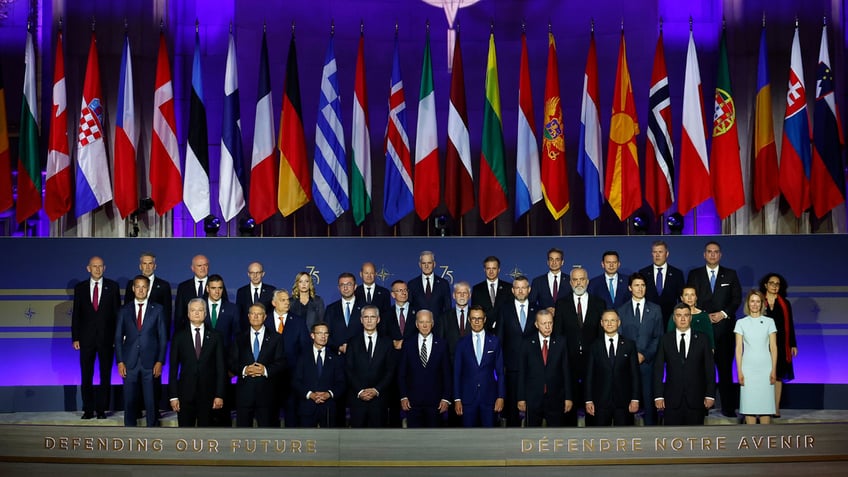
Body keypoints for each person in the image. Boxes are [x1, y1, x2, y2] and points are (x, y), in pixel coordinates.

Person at [686, 241, 742, 418]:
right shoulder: (695, 274)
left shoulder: (730, 275)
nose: (712, 255)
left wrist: (723, 313)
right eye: (709, 252)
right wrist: (703, 315)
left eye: (716, 252)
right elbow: (690, 299)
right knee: (699, 371)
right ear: (704, 255)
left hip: (724, 331)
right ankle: (700, 406)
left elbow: (736, 299)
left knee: (725, 370)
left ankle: (728, 407)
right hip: (700, 330)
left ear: (720, 255)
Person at [553, 266, 604, 426]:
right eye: (575, 279)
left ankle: (594, 443)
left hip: (593, 362)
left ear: (587, 281)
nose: (579, 283)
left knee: (593, 405)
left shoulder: (599, 303)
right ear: (570, 282)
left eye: (582, 279)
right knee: (569, 406)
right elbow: (558, 334)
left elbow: (601, 335)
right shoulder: (561, 304)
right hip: (569, 363)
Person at [72, 256, 121, 419]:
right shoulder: (80, 288)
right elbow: (77, 315)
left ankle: (101, 410)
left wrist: (117, 338)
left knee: (105, 375)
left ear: (104, 268)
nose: (97, 269)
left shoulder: (112, 287)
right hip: (86, 340)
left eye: (100, 266)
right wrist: (75, 337)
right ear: (88, 268)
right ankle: (87, 409)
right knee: (86, 375)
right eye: (94, 266)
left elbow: (117, 315)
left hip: (106, 339)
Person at [115, 275, 168, 427]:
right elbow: (118, 337)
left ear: (148, 288)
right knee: (129, 400)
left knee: (151, 401)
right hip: (129, 362)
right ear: (133, 289)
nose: (140, 290)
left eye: (144, 287)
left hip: (150, 363)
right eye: (137, 286)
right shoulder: (124, 310)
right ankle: (129, 431)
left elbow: (163, 338)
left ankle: (152, 431)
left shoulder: (157, 309)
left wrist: (160, 361)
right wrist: (119, 361)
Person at [124, 252, 172, 414]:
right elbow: (127, 311)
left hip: (154, 339)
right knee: (134, 377)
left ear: (155, 265)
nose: (147, 266)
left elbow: (166, 313)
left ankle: (154, 408)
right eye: (144, 263)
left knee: (155, 376)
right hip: (134, 341)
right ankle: (136, 409)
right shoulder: (132, 284)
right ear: (140, 266)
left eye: (150, 263)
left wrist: (163, 338)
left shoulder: (163, 285)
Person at [654, 303, 716, 425]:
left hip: (696, 399)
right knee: (672, 439)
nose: (682, 319)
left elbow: (709, 369)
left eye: (686, 315)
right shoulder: (665, 340)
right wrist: (658, 395)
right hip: (672, 400)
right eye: (679, 315)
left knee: (696, 440)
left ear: (690, 318)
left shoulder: (703, 339)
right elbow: (658, 369)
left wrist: (710, 394)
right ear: (674, 318)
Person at [168, 298, 226, 427]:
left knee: (206, 435)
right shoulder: (179, 337)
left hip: (208, 396)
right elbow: (172, 369)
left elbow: (221, 368)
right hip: (185, 395)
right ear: (188, 314)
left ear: (205, 314)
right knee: (184, 435)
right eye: (193, 310)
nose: (197, 313)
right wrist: (173, 396)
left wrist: (219, 394)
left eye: (200, 310)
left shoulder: (216, 336)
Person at [617, 272, 664, 425]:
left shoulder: (656, 310)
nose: (640, 288)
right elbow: (619, 338)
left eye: (643, 285)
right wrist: (631, 356)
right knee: (627, 403)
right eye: (636, 285)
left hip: (648, 364)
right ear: (630, 288)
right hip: (627, 366)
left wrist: (644, 354)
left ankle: (653, 440)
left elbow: (658, 337)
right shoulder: (621, 311)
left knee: (650, 404)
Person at [229, 303, 286, 427]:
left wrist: (264, 370)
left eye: (259, 314)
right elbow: (232, 362)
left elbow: (281, 362)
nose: (255, 317)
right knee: (243, 432)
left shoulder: (276, 338)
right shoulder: (239, 338)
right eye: (253, 314)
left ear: (265, 317)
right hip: (244, 394)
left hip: (267, 394)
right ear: (248, 316)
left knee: (267, 432)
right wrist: (245, 370)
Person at [516, 309, 572, 427]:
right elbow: (522, 373)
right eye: (544, 323)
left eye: (550, 323)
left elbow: (566, 371)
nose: (548, 327)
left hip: (556, 398)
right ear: (536, 324)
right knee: (532, 436)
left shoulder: (561, 342)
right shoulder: (527, 343)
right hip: (533, 399)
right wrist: (521, 398)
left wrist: (568, 397)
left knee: (556, 437)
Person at [584, 310, 640, 426]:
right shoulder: (594, 346)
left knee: (625, 440)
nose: (609, 324)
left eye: (613, 320)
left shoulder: (630, 345)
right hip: (600, 402)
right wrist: (588, 399)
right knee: (600, 439)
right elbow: (589, 375)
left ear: (619, 323)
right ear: (601, 323)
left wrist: (635, 399)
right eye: (606, 321)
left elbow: (635, 375)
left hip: (624, 402)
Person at [453, 306, 505, 427]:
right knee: (468, 438)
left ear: (485, 319)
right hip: (467, 399)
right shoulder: (461, 344)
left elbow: (500, 372)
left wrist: (501, 396)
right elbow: (457, 373)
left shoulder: (494, 341)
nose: (477, 322)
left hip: (489, 398)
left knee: (489, 438)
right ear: (469, 320)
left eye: (480, 318)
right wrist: (457, 399)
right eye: (474, 319)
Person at [398, 310, 452, 428]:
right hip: (412, 403)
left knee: (434, 440)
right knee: (414, 440)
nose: (425, 325)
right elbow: (402, 374)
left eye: (427, 321)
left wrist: (446, 398)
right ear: (416, 324)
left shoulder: (442, 344)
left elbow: (447, 374)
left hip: (436, 403)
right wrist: (403, 396)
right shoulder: (408, 344)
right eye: (421, 322)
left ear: (432, 323)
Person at [496, 275, 538, 427]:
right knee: (513, 409)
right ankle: (513, 444)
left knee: (533, 410)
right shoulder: (504, 309)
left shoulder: (538, 310)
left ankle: (533, 444)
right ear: (513, 290)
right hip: (512, 368)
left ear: (529, 289)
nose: (521, 291)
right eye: (517, 288)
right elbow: (500, 339)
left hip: (534, 368)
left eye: (524, 288)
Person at [266, 288, 311, 427]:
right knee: (269, 415)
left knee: (292, 415)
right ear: (274, 303)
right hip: (268, 377)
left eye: (288, 300)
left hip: (291, 377)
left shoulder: (298, 322)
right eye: (283, 300)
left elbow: (305, 349)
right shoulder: (264, 320)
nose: (287, 303)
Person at [345, 305, 396, 427]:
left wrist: (375, 390)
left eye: (372, 317)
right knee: (357, 440)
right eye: (366, 317)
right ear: (361, 320)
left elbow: (390, 371)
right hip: (358, 399)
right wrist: (361, 391)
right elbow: (348, 370)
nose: (369, 320)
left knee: (378, 441)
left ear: (378, 319)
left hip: (379, 400)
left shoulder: (387, 342)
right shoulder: (352, 342)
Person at [734, 290, 778, 425]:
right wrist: (740, 371)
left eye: (757, 301)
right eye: (752, 301)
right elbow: (739, 349)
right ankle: (751, 441)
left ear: (762, 304)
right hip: (748, 369)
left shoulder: (769, 322)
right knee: (749, 407)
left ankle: (766, 442)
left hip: (766, 368)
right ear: (748, 303)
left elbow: (773, 347)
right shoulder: (741, 323)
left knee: (765, 407)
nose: (755, 304)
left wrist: (773, 370)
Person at [759, 273, 798, 418]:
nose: (775, 286)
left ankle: (775, 408)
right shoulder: (759, 301)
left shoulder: (785, 303)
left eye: (777, 284)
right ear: (765, 285)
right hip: (762, 344)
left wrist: (792, 344)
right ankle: (762, 407)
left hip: (781, 344)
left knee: (778, 377)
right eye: (772, 283)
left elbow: (790, 325)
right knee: (763, 377)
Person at [292, 322, 345, 427]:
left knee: (329, 442)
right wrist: (310, 395)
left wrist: (328, 394)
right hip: (307, 407)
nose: (323, 336)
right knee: (307, 442)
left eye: (326, 333)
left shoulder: (335, 358)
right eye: (320, 333)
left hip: (328, 409)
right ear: (312, 335)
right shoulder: (302, 356)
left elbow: (341, 383)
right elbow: (296, 381)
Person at [175, 255, 228, 335]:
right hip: (189, 334)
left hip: (213, 334)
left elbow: (225, 307)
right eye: (199, 265)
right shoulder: (183, 287)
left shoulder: (217, 284)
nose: (203, 268)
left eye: (205, 265)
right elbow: (179, 314)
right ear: (192, 268)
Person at [639, 240, 685, 326]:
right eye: (655, 252)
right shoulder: (643, 273)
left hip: (670, 319)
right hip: (648, 319)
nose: (657, 255)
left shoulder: (677, 273)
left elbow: (681, 298)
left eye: (660, 252)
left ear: (667, 254)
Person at [325, 272, 363, 354]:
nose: (345, 288)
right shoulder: (331, 309)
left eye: (349, 284)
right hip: (336, 357)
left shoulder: (365, 307)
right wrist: (338, 347)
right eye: (342, 285)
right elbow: (326, 334)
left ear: (355, 286)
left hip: (360, 356)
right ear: (338, 287)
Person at [407, 250, 452, 316]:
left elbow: (447, 308)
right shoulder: (412, 284)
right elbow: (409, 309)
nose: (426, 266)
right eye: (423, 263)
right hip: (418, 325)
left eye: (429, 263)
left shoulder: (443, 284)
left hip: (439, 325)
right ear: (420, 265)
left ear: (434, 264)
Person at [236, 262, 276, 331]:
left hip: (267, 331)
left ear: (263, 274)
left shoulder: (271, 290)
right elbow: (239, 314)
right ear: (248, 274)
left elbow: (273, 313)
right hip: (246, 332)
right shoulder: (241, 292)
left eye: (258, 273)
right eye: (252, 273)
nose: (255, 276)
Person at [471, 256, 512, 321]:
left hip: (504, 329)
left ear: (499, 270)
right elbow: (475, 312)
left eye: (494, 268)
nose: (491, 272)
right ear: (484, 270)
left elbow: (510, 311)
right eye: (488, 268)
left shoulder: (508, 288)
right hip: (485, 328)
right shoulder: (477, 289)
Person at [205, 274, 240, 350]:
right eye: (213, 288)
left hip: (225, 355)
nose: (217, 292)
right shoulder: (199, 307)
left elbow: (237, 335)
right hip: (202, 356)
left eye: (220, 288)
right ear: (207, 289)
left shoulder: (232, 308)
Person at [440, 281, 472, 360]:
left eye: (465, 293)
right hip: (451, 362)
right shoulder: (444, 317)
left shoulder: (477, 315)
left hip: (473, 361)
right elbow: (441, 341)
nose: (462, 295)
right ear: (454, 295)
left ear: (469, 295)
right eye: (459, 293)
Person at [381, 280, 416, 349]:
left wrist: (405, 343)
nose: (404, 293)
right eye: (400, 290)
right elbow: (383, 336)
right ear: (393, 295)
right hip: (393, 354)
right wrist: (393, 343)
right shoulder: (386, 314)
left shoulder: (418, 312)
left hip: (413, 352)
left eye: (405, 290)